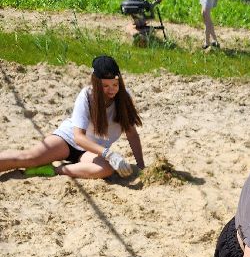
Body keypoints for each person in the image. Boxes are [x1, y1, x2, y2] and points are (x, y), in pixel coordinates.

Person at [0, 55, 144, 180]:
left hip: (92, 151)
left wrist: (141, 167)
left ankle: (54, 170)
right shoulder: (87, 95)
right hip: (68, 140)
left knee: (106, 169)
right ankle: (38, 163)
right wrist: (108, 153)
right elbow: (78, 137)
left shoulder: (125, 98)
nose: (111, 90)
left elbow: (132, 134)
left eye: (115, 84)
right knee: (29, 158)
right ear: (96, 83)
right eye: (105, 86)